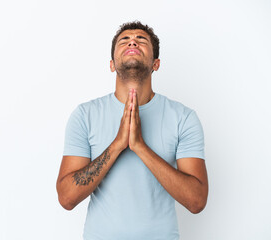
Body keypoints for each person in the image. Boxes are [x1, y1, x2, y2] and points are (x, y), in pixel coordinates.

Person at [56, 21, 208, 240]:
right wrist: (118, 145)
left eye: (141, 40)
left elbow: (196, 201)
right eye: (124, 40)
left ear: (156, 64)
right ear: (112, 64)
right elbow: (67, 198)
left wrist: (139, 147)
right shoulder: (85, 115)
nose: (133, 41)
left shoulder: (183, 117)